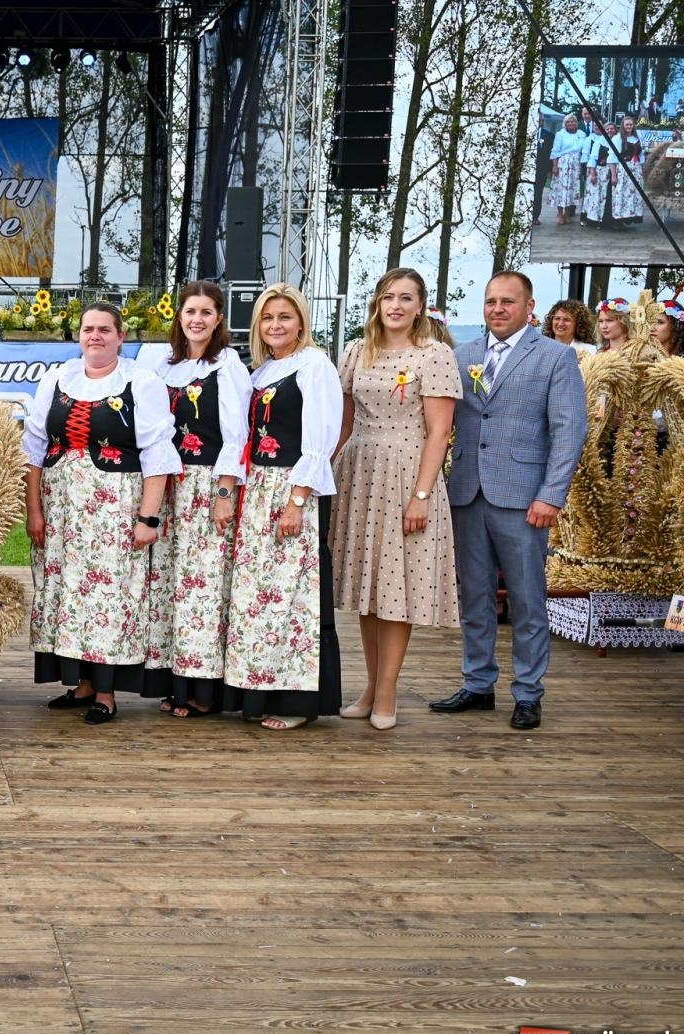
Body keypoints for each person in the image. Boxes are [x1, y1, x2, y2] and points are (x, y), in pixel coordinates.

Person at [429, 271, 587, 731]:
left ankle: (528, 692)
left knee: (526, 598)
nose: (497, 309)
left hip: (524, 498)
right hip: (467, 493)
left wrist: (551, 496)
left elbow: (568, 432)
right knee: (473, 594)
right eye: (490, 300)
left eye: (507, 301)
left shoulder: (556, 358)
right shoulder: (463, 356)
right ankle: (478, 683)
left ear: (529, 306)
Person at [24, 302, 181, 725]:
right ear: (79, 336)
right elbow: (34, 450)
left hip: (113, 507)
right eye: (88, 329)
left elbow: (157, 455)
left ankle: (107, 692)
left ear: (120, 337)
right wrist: (33, 509)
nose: (95, 336)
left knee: (108, 595)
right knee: (64, 594)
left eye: (104, 330)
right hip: (61, 509)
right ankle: (81, 684)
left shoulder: (140, 383)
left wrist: (148, 518)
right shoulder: (57, 378)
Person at [330, 268, 462, 731]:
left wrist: (421, 495)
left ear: (420, 306)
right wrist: (323, 475)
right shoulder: (354, 351)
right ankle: (369, 684)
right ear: (377, 304)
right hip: (359, 473)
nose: (397, 306)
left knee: (396, 588)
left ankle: (388, 688)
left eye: (407, 298)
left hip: (407, 472)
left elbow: (440, 431)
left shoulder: (434, 355)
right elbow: (343, 425)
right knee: (367, 590)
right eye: (388, 297)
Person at [223, 283, 343, 730]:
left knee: (293, 597)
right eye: (268, 318)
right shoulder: (261, 371)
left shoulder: (314, 366)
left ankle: (296, 703)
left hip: (293, 487)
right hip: (258, 487)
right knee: (258, 597)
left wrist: (296, 502)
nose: (276, 325)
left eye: (285, 317)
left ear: (301, 322)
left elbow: (319, 438)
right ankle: (257, 690)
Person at [146, 282, 250, 719]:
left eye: (207, 312)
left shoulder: (227, 366)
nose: (197, 320)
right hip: (169, 484)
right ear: (180, 316)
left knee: (203, 589)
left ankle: (204, 689)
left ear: (219, 319)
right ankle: (176, 679)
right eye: (191, 311)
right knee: (171, 586)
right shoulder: (162, 365)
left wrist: (224, 493)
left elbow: (236, 434)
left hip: (206, 483)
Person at [547, 113, 587, 225]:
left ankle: (567, 213)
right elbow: (555, 151)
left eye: (573, 121)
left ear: (576, 123)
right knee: (561, 189)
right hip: (563, 163)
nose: (571, 123)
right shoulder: (560, 134)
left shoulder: (581, 134)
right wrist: (554, 166)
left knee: (572, 189)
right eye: (568, 122)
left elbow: (583, 150)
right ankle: (559, 213)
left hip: (576, 163)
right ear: (564, 124)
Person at [582, 122, 620, 228]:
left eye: (612, 129)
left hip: (613, 172)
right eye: (607, 129)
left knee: (610, 197)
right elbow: (592, 158)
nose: (609, 131)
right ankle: (595, 220)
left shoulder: (618, 141)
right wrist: (593, 174)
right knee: (597, 197)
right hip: (600, 171)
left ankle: (610, 221)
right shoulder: (599, 142)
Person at [612, 117, 646, 226]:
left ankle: (632, 216)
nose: (629, 126)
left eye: (631, 124)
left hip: (636, 168)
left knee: (634, 193)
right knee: (622, 192)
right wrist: (613, 174)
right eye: (627, 125)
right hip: (624, 168)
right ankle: (621, 217)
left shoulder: (637, 137)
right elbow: (613, 157)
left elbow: (641, 154)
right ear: (623, 125)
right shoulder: (618, 138)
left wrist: (642, 167)